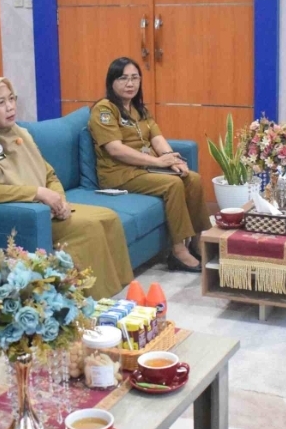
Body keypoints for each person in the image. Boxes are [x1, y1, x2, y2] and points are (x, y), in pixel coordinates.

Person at [0, 76, 134, 298]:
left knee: (108, 217)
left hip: (46, 208)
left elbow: (48, 173)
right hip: (24, 215)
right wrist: (38, 194)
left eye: (11, 99)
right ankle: (95, 301)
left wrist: (59, 200)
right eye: (0, 102)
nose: (10, 107)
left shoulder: (20, 134)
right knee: (89, 228)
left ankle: (121, 294)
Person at [88, 57, 211, 272]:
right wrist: (157, 161)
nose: (130, 84)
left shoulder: (140, 109)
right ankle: (178, 250)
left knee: (192, 178)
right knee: (172, 185)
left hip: (145, 168)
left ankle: (198, 241)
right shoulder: (104, 110)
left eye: (135, 78)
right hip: (119, 173)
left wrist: (172, 159)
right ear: (111, 82)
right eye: (123, 78)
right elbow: (115, 149)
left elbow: (157, 138)